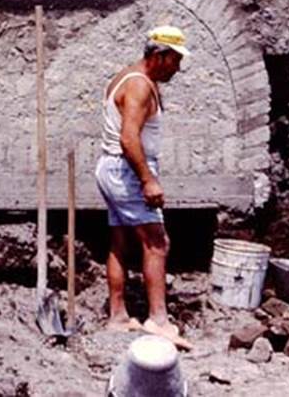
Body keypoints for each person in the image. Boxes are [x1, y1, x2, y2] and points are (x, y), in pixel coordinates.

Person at [94, 25, 192, 348]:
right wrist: (147, 179)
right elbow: (128, 138)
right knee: (156, 242)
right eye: (175, 60)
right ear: (160, 55)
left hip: (114, 169)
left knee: (120, 241)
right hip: (127, 171)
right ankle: (158, 320)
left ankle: (119, 315)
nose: (177, 69)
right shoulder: (137, 86)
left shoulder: (130, 77)